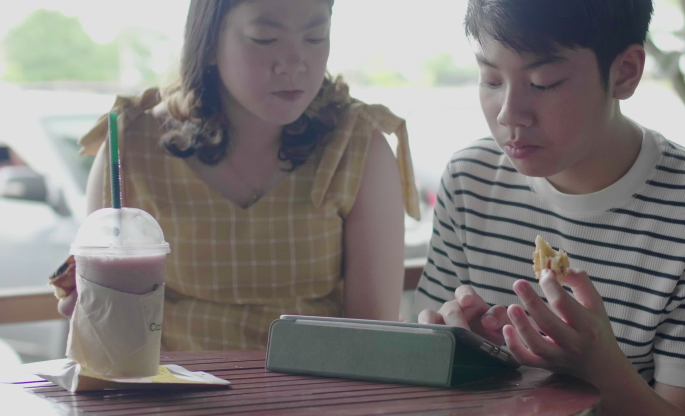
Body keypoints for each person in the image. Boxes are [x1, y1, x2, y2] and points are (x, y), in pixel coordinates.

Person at [414, 1, 685, 416]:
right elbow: (422, 369)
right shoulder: (471, 178)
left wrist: (601, 368)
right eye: (491, 79)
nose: (510, 115)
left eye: (544, 83)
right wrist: (470, 354)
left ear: (625, 72)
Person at [56, 0, 421, 350]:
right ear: (209, 43)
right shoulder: (132, 147)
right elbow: (107, 331)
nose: (295, 63)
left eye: (315, 37)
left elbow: (371, 337)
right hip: (169, 399)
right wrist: (91, 312)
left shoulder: (356, 146)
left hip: (314, 400)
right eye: (265, 38)